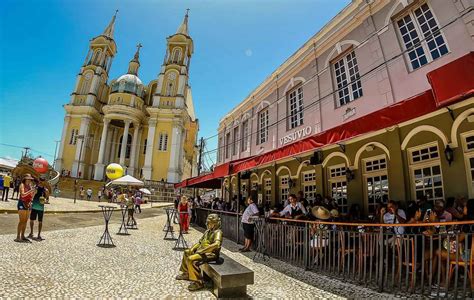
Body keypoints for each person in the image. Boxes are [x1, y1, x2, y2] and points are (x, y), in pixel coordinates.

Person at [176, 214, 223, 291]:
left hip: (211, 254)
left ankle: (198, 282)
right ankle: (187, 273)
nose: (207, 224)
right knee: (187, 252)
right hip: (202, 251)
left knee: (191, 259)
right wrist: (192, 249)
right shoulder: (207, 231)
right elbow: (200, 242)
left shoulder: (218, 232)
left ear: (214, 223)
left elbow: (217, 244)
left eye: (208, 223)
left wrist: (202, 251)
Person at [15, 174, 36, 243]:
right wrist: (30, 191)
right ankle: (18, 236)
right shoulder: (22, 185)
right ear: (25, 179)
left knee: (25, 221)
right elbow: (22, 194)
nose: (29, 180)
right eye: (28, 179)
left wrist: (33, 192)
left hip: (28, 204)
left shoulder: (30, 186)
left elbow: (31, 196)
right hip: (22, 203)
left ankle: (23, 236)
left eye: (30, 179)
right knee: (21, 221)